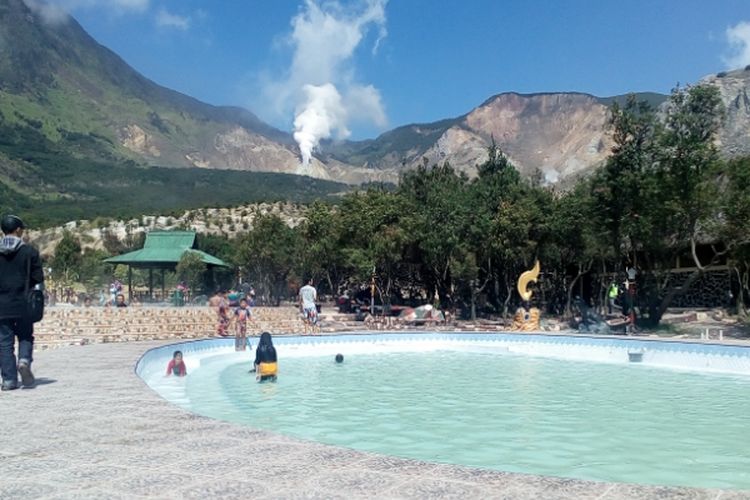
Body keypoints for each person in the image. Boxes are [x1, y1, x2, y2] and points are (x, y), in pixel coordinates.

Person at [0, 215, 44, 390]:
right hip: (24, 303)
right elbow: (38, 278)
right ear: (18, 230)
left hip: (1, 305)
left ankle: (9, 380)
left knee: (4, 342)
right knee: (25, 335)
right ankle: (24, 360)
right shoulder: (29, 252)